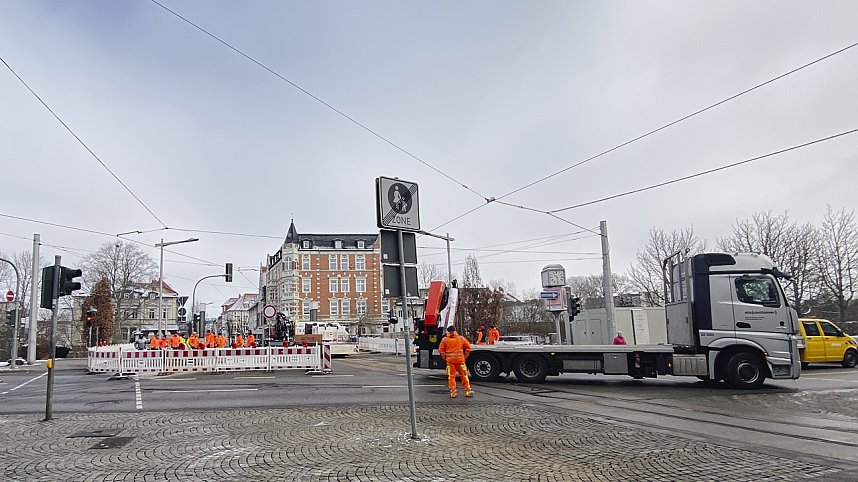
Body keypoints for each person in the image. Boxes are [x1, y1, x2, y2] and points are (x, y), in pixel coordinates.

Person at [439, 325, 473, 398]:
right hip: (461, 361)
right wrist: (464, 357)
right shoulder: (461, 338)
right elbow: (468, 348)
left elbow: (441, 351)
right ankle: (468, 390)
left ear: (448, 331)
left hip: (450, 362)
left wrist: (445, 357)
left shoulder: (444, 340)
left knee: (451, 377)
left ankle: (453, 392)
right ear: (455, 330)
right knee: (464, 376)